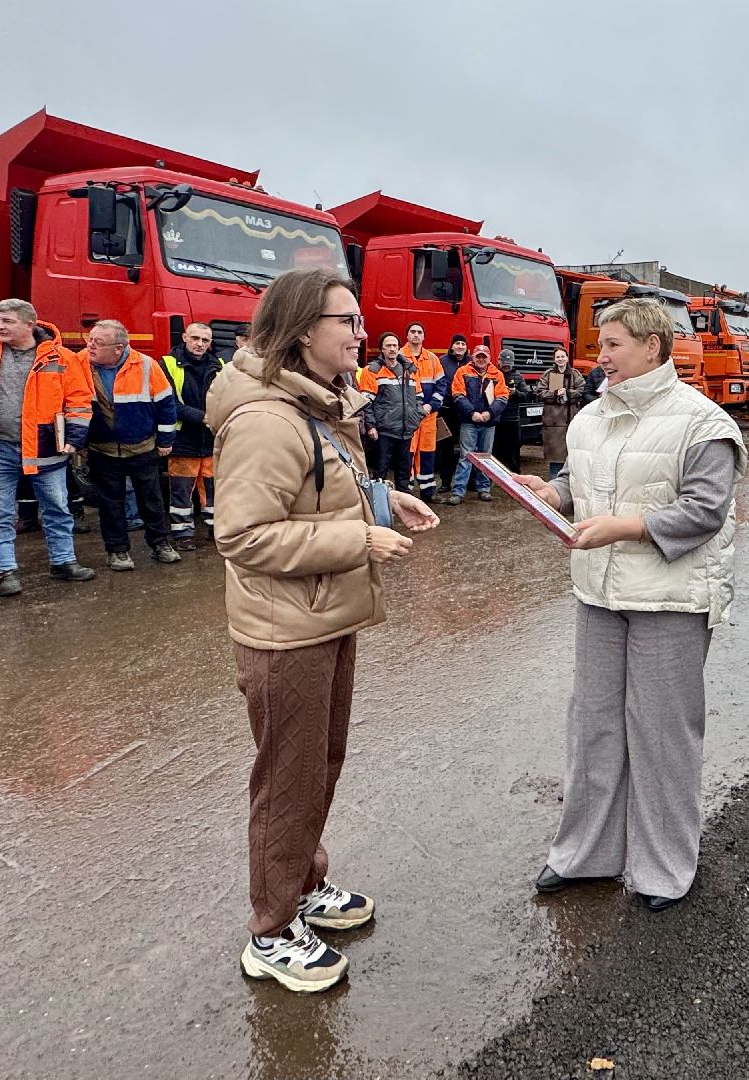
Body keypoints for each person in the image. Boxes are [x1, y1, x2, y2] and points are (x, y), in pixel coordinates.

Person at [207, 266, 438, 993]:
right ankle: (271, 932)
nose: (362, 333)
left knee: (317, 766)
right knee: (288, 780)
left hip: (322, 615)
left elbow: (321, 485)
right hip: (285, 632)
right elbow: (244, 536)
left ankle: (303, 888)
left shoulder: (313, 405)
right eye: (348, 320)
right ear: (304, 329)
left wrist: (384, 500)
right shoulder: (268, 419)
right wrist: (358, 541)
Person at [517, 298, 746, 912]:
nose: (602, 356)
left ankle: (665, 868)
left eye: (613, 343)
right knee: (592, 726)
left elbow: (704, 511)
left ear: (652, 347)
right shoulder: (591, 416)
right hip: (598, 592)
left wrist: (623, 527)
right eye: (601, 344)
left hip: (669, 600)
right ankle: (585, 856)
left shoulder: (703, 423)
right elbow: (581, 482)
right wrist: (553, 490)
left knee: (662, 733)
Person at [0, 299, 97, 596]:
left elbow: (79, 400)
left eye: (7, 321)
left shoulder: (61, 357)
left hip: (45, 446)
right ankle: (4, 572)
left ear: (30, 324)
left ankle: (63, 562)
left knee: (57, 507)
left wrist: (75, 437)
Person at [83, 321, 180, 571]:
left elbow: (166, 405)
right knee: (110, 504)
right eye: (90, 339)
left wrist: (166, 441)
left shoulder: (147, 365)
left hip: (142, 448)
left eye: (98, 342)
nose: (90, 345)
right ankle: (117, 551)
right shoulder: (78, 362)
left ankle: (161, 544)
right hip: (102, 450)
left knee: (151, 500)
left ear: (118, 348)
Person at [162, 322, 224, 550]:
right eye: (195, 338)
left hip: (210, 440)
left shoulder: (220, 365)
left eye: (205, 340)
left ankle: (215, 529)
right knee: (181, 491)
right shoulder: (167, 364)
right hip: (183, 439)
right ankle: (182, 535)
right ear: (185, 337)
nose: (199, 344)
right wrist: (205, 417)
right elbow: (170, 405)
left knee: (212, 490)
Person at [361, 332, 423, 492]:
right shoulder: (373, 371)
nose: (392, 349)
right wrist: (371, 426)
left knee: (404, 472)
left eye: (395, 345)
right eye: (388, 345)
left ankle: (404, 505)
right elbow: (366, 403)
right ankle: (378, 505)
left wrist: (417, 417)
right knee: (381, 471)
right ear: (382, 349)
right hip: (384, 432)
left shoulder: (409, 370)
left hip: (406, 431)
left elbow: (419, 397)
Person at [447, 344, 507, 504]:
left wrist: (489, 413)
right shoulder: (463, 372)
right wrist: (472, 413)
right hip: (469, 422)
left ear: (489, 358)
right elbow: (457, 394)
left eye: (484, 357)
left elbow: (502, 397)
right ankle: (458, 492)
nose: (481, 359)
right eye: (478, 356)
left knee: (486, 457)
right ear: (473, 357)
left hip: (489, 423)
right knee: (466, 457)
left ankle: (484, 489)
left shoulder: (497, 375)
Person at [400, 322, 446, 501]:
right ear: (407, 336)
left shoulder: (433, 359)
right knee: (407, 454)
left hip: (428, 416)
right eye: (413, 332)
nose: (416, 335)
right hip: (408, 416)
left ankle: (428, 491)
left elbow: (441, 385)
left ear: (424, 337)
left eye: (419, 332)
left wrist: (431, 405)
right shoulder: (399, 356)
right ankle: (406, 492)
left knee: (427, 453)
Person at [535, 346, 584, 478]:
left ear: (567, 358)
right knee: (555, 457)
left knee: (571, 456)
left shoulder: (575, 374)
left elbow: (582, 390)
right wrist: (555, 393)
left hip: (571, 419)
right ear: (554, 359)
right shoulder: (549, 374)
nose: (560, 359)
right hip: (553, 422)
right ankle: (554, 484)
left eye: (562, 356)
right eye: (558, 357)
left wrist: (568, 393)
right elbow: (540, 391)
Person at [435, 333, 470, 497]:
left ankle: (466, 482)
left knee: (466, 449)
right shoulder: (442, 362)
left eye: (463, 344)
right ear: (452, 346)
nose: (460, 346)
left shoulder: (471, 362)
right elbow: (439, 383)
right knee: (446, 449)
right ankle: (446, 482)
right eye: (457, 343)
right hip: (446, 411)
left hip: (465, 412)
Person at [493, 346, 529, 472]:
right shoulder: (493, 375)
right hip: (496, 418)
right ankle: (496, 475)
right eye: (504, 364)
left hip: (512, 419)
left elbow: (526, 396)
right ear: (499, 362)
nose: (506, 367)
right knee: (495, 450)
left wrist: (515, 393)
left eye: (508, 364)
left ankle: (515, 475)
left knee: (513, 450)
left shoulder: (518, 376)